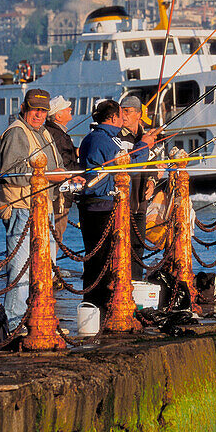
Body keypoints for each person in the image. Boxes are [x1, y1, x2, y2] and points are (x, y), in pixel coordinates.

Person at [0, 88, 74, 328]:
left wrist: (68, 177)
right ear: (24, 109)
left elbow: (57, 165)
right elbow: (10, 174)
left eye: (43, 111)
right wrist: (51, 176)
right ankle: (13, 324)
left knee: (45, 267)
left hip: (44, 208)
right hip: (22, 208)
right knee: (20, 269)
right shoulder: (17, 133)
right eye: (34, 110)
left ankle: (36, 319)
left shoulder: (44, 133)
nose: (39, 115)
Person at [77, 99, 159, 312]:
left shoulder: (94, 137)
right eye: (121, 115)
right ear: (113, 118)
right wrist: (144, 146)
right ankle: (99, 306)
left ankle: (95, 305)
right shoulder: (104, 140)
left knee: (97, 258)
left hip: (94, 205)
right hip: (101, 206)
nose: (123, 119)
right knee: (102, 260)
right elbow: (127, 165)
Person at [118, 96, 158, 279]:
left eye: (127, 111)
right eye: (122, 111)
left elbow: (152, 165)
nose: (123, 115)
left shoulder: (145, 136)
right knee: (119, 247)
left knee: (138, 247)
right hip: (123, 203)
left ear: (138, 114)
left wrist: (152, 181)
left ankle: (135, 283)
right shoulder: (118, 136)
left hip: (140, 203)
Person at [45, 95, 80, 240]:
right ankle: (49, 262)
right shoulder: (57, 134)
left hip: (60, 190)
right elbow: (63, 161)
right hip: (60, 192)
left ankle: (49, 261)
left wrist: (75, 150)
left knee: (56, 232)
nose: (70, 109)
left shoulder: (56, 132)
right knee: (56, 232)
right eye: (67, 108)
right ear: (58, 115)